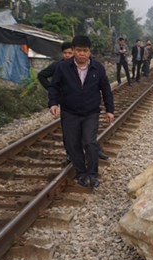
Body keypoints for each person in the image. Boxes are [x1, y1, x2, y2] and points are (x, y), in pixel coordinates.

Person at [48, 35, 114, 189]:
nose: (82, 54)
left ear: (90, 52)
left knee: (90, 142)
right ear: (74, 51)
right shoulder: (63, 68)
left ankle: (92, 174)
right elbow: (53, 87)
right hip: (70, 112)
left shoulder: (97, 68)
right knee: (72, 144)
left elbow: (106, 90)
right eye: (79, 50)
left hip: (91, 112)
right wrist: (53, 103)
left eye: (85, 51)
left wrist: (109, 110)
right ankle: (81, 173)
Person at [38, 41, 109, 162]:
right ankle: (70, 153)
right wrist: (53, 91)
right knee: (69, 131)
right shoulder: (58, 66)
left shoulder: (87, 66)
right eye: (65, 53)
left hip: (84, 103)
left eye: (70, 53)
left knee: (88, 131)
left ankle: (96, 150)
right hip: (66, 102)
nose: (67, 55)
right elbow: (42, 76)